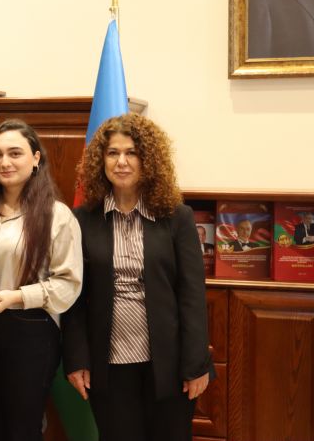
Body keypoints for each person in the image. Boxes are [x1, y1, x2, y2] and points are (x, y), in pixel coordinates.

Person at [61, 113, 213, 441]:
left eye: (131, 152)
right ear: (100, 161)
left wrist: (196, 363)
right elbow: (73, 297)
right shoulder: (82, 220)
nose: (122, 162)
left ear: (149, 160)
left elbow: (192, 294)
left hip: (171, 364)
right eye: (113, 153)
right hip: (108, 363)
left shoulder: (177, 217)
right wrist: (76, 358)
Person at [0, 119, 83, 441]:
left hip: (29, 332)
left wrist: (17, 296)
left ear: (36, 158)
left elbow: (68, 284)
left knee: (22, 431)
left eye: (15, 153)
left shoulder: (56, 215)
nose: (4, 162)